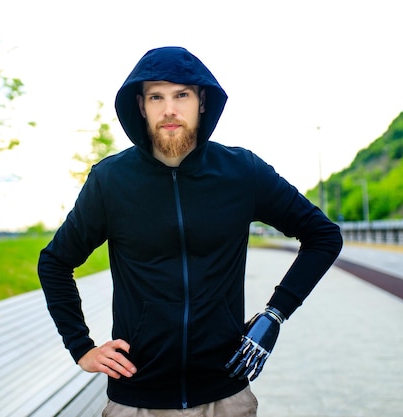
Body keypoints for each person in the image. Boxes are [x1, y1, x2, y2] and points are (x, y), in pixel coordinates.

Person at [38, 46, 343, 416]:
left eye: (182, 94)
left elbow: (323, 235)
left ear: (202, 101)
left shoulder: (242, 172)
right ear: (141, 105)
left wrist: (274, 314)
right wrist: (81, 347)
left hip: (225, 394)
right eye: (157, 96)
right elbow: (54, 263)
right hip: (137, 399)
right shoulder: (110, 181)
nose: (169, 109)